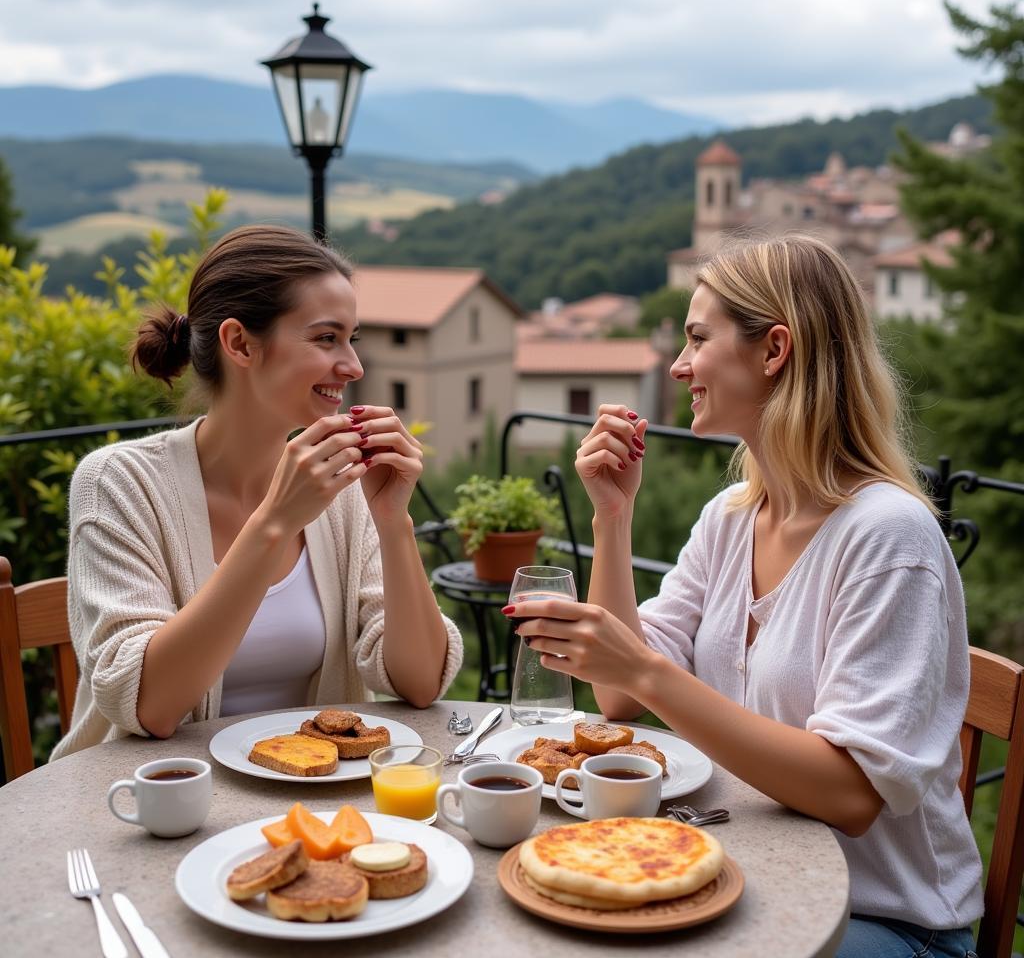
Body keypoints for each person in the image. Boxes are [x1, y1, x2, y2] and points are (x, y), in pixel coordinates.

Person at [503, 235, 982, 957]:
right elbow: (616, 703)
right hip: (752, 882)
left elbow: (851, 796)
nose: (679, 364)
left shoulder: (890, 538)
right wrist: (612, 516)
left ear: (774, 349)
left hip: (884, 923)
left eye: (698, 338)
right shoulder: (732, 516)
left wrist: (643, 670)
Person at [52, 225, 463, 760]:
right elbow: (151, 705)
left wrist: (392, 521)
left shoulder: (336, 487)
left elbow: (420, 683)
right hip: (148, 809)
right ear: (240, 344)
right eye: (325, 338)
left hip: (310, 806)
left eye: (351, 339)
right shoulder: (118, 484)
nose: (354, 366)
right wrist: (273, 523)